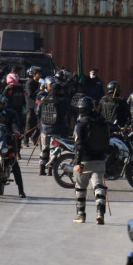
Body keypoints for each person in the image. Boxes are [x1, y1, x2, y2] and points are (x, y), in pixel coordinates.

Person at [72, 95, 109, 224]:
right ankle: (100, 213)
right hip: (99, 159)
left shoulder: (81, 123)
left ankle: (81, 215)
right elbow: (107, 139)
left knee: (81, 188)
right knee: (98, 187)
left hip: (84, 160)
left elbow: (79, 144)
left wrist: (77, 162)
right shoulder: (101, 121)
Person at [36, 81, 69, 176]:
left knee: (44, 148)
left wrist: (41, 122)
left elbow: (38, 112)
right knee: (53, 149)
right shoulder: (62, 101)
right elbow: (67, 113)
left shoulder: (43, 99)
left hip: (44, 128)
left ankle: (41, 169)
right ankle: (51, 169)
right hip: (57, 129)